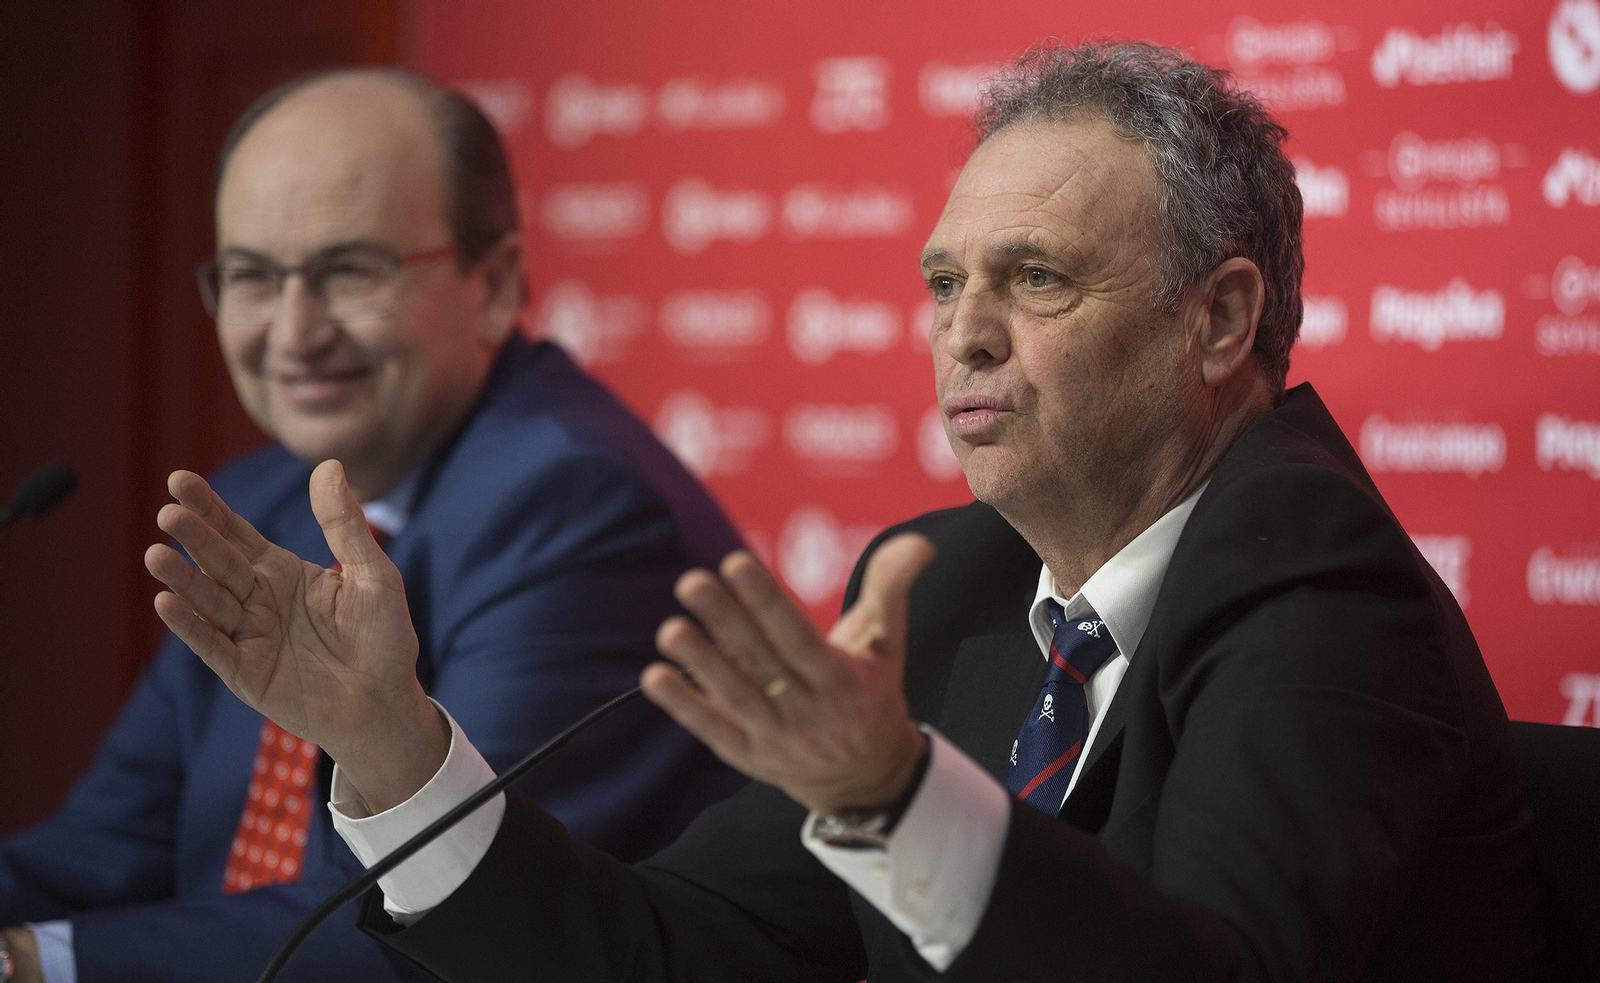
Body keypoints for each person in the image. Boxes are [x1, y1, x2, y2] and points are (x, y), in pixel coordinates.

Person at [145, 41, 1533, 983]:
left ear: (1220, 316)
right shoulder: (954, 581)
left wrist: (893, 795)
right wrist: (393, 747)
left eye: (1035, 279)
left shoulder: (1319, 581)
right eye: (943, 285)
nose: (965, 337)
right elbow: (669, 946)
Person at [0, 69, 747, 983]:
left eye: (348, 270)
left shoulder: (577, 506)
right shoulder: (262, 500)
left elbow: (444, 917)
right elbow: (108, 845)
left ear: (497, 281)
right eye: (252, 277)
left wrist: (31, 964)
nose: (293, 332)